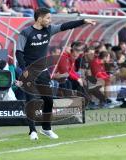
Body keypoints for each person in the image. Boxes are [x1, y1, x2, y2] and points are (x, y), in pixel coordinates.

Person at [16, 7, 96, 140]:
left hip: (43, 72)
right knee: (31, 101)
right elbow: (19, 53)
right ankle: (32, 131)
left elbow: (65, 26)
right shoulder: (25, 33)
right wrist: (25, 70)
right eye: (48, 18)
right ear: (40, 18)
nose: (50, 20)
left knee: (49, 100)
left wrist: (83, 21)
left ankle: (46, 128)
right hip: (29, 72)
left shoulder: (49, 29)